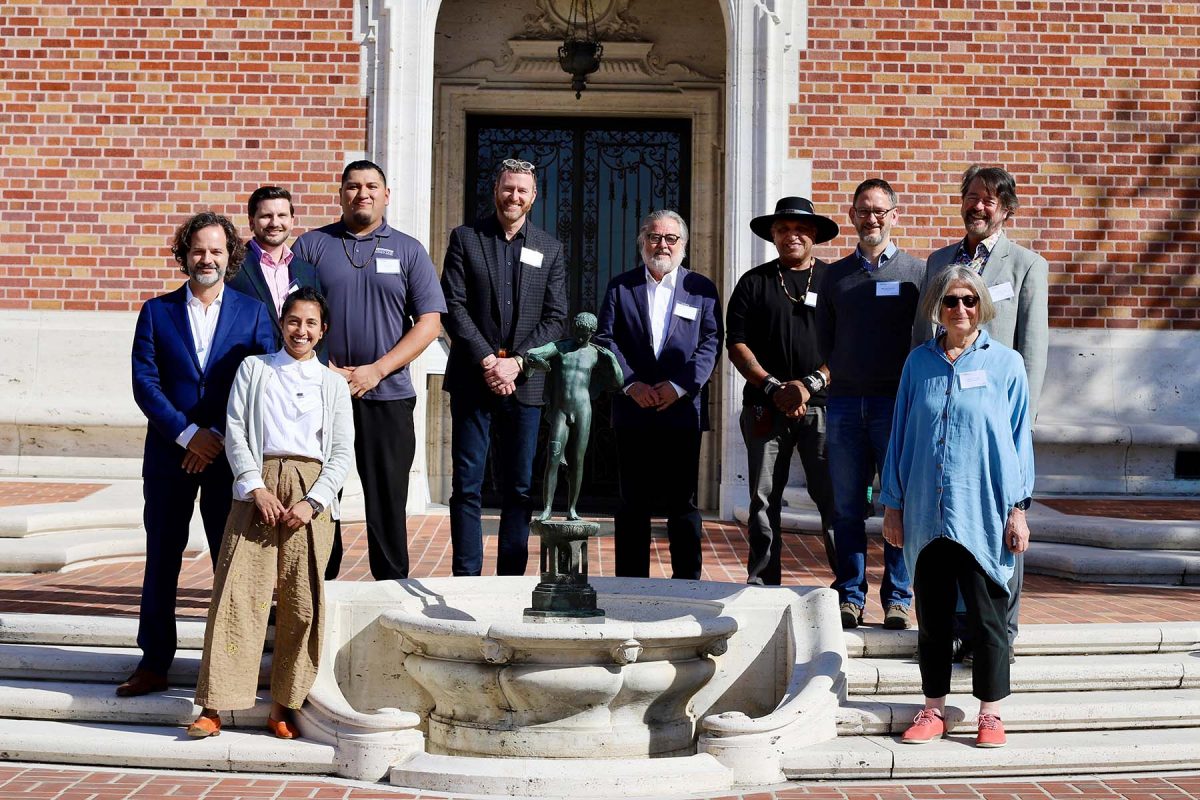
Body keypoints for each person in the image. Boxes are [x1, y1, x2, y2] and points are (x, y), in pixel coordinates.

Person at [187, 287, 354, 740]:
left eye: (311, 323)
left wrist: (312, 501)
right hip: (256, 489)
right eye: (294, 321)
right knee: (237, 593)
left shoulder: (333, 384)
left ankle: (283, 705)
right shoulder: (254, 369)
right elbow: (237, 431)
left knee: (301, 603)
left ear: (323, 331)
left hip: (310, 493)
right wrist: (255, 487)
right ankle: (214, 704)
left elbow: (341, 453)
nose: (301, 330)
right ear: (282, 323)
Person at [121, 212, 274, 698]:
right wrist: (188, 435)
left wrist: (216, 437)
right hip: (170, 456)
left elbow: (261, 383)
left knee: (229, 563)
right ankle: (153, 662)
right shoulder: (156, 311)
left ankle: (229, 665)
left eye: (215, 250)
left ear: (230, 257)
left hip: (228, 458)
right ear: (184, 254)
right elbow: (145, 384)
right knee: (162, 558)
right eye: (197, 250)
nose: (206, 258)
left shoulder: (252, 313)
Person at [881, 265, 1034, 749]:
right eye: (951, 301)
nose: (961, 309)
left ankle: (990, 713)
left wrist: (1018, 508)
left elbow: (1018, 441)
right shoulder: (917, 364)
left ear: (982, 305)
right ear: (938, 308)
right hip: (927, 510)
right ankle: (934, 707)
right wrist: (892, 504)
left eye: (969, 300)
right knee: (934, 616)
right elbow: (900, 436)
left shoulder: (1006, 364)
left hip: (983, 510)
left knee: (989, 617)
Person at [914, 165, 1048, 657]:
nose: (979, 206)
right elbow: (920, 340)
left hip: (994, 429)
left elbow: (1033, 352)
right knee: (944, 528)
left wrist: (1021, 428)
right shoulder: (938, 262)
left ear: (1006, 208)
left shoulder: (1027, 265)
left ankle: (997, 637)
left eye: (990, 200)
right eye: (972, 196)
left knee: (1001, 533)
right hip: (944, 423)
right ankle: (948, 631)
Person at [294, 160, 446, 580]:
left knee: (387, 499)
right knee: (319, 493)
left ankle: (391, 588)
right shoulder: (311, 247)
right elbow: (291, 316)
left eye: (372, 186)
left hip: (388, 395)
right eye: (353, 186)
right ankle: (318, 586)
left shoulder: (408, 250)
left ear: (386, 194)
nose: (362, 193)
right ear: (341, 193)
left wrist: (376, 371)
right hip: (321, 395)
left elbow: (430, 323)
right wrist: (323, 369)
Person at [441, 158, 568, 576]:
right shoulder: (465, 238)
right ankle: (466, 577)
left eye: (522, 191)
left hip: (526, 384)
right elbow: (453, 306)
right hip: (473, 381)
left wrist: (515, 363)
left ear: (534, 197)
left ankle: (511, 578)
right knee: (467, 485)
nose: (514, 196)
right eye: (508, 188)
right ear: (496, 189)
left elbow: (556, 318)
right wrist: (488, 360)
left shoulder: (550, 248)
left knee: (518, 488)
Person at [816, 179, 924, 630]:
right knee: (846, 507)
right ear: (853, 215)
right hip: (843, 407)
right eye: (863, 210)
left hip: (895, 408)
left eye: (880, 210)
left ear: (894, 215)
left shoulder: (918, 274)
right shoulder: (835, 277)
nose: (871, 218)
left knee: (897, 504)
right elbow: (825, 340)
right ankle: (851, 595)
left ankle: (898, 598)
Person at [594, 210, 722, 580]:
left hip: (682, 412)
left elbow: (711, 342)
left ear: (683, 245)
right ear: (642, 242)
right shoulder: (621, 287)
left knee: (682, 504)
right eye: (654, 237)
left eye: (670, 238)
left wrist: (679, 386)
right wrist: (632, 384)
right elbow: (606, 339)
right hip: (633, 409)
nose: (662, 244)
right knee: (633, 503)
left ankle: (687, 586)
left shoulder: (700, 288)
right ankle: (631, 585)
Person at [726, 197, 837, 586]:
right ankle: (762, 580)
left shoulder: (834, 281)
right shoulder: (753, 282)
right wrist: (773, 387)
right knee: (762, 497)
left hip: (823, 408)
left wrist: (810, 384)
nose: (792, 235)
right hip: (764, 408)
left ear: (815, 235)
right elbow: (736, 343)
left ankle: (847, 588)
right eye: (784, 229)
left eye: (801, 228)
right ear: (773, 235)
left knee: (832, 498)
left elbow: (848, 344)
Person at [524, 312, 624, 521]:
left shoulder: (596, 354)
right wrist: (540, 362)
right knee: (553, 457)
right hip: (560, 409)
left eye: (585, 334)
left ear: (592, 334)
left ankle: (572, 509)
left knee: (577, 461)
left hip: (582, 409)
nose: (581, 337)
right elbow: (533, 353)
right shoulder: (560, 347)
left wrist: (613, 359)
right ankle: (548, 508)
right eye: (578, 332)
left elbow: (617, 383)